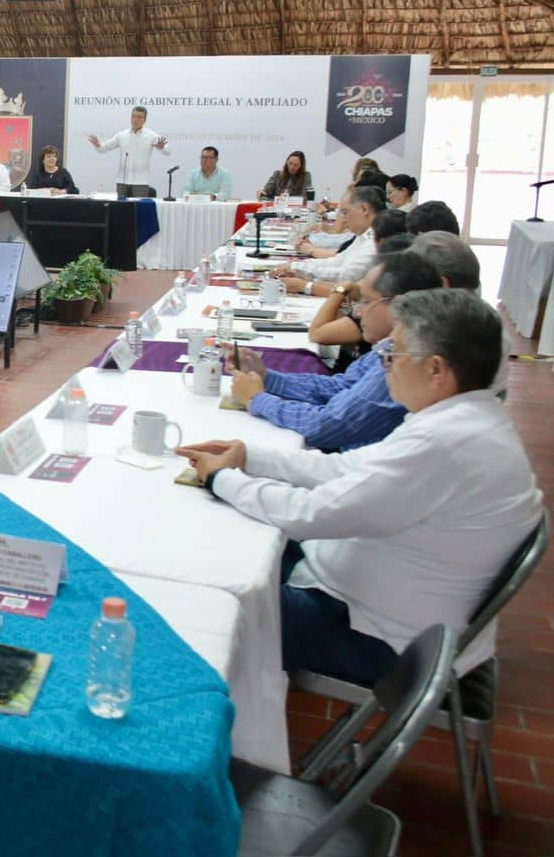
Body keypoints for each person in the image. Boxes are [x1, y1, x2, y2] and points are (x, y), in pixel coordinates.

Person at [179, 289, 542, 685]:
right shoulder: (462, 418)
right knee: (230, 543)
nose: (385, 366)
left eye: (394, 355)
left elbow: (312, 514)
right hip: (376, 601)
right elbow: (345, 469)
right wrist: (250, 456)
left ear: (436, 369)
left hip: (376, 636)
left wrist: (222, 478)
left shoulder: (444, 443)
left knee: (204, 602)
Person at [230, 253, 443, 452]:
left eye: (366, 301)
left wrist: (257, 399)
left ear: (397, 305)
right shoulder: (388, 346)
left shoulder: (402, 362)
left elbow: (324, 427)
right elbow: (338, 387)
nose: (357, 312)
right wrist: (266, 377)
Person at [273, 186, 383, 295]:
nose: (342, 219)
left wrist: (300, 273)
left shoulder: (376, 240)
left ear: (364, 209)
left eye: (345, 212)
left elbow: (346, 276)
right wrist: (297, 267)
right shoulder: (364, 236)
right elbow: (337, 261)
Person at [87, 105, 169, 196]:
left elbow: (167, 151)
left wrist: (161, 148)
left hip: (140, 182)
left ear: (144, 120)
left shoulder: (151, 135)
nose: (135, 120)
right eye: (133, 116)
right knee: (121, 209)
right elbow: (103, 148)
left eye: (139, 117)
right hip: (122, 181)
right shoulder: (122, 135)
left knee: (138, 209)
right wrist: (98, 145)